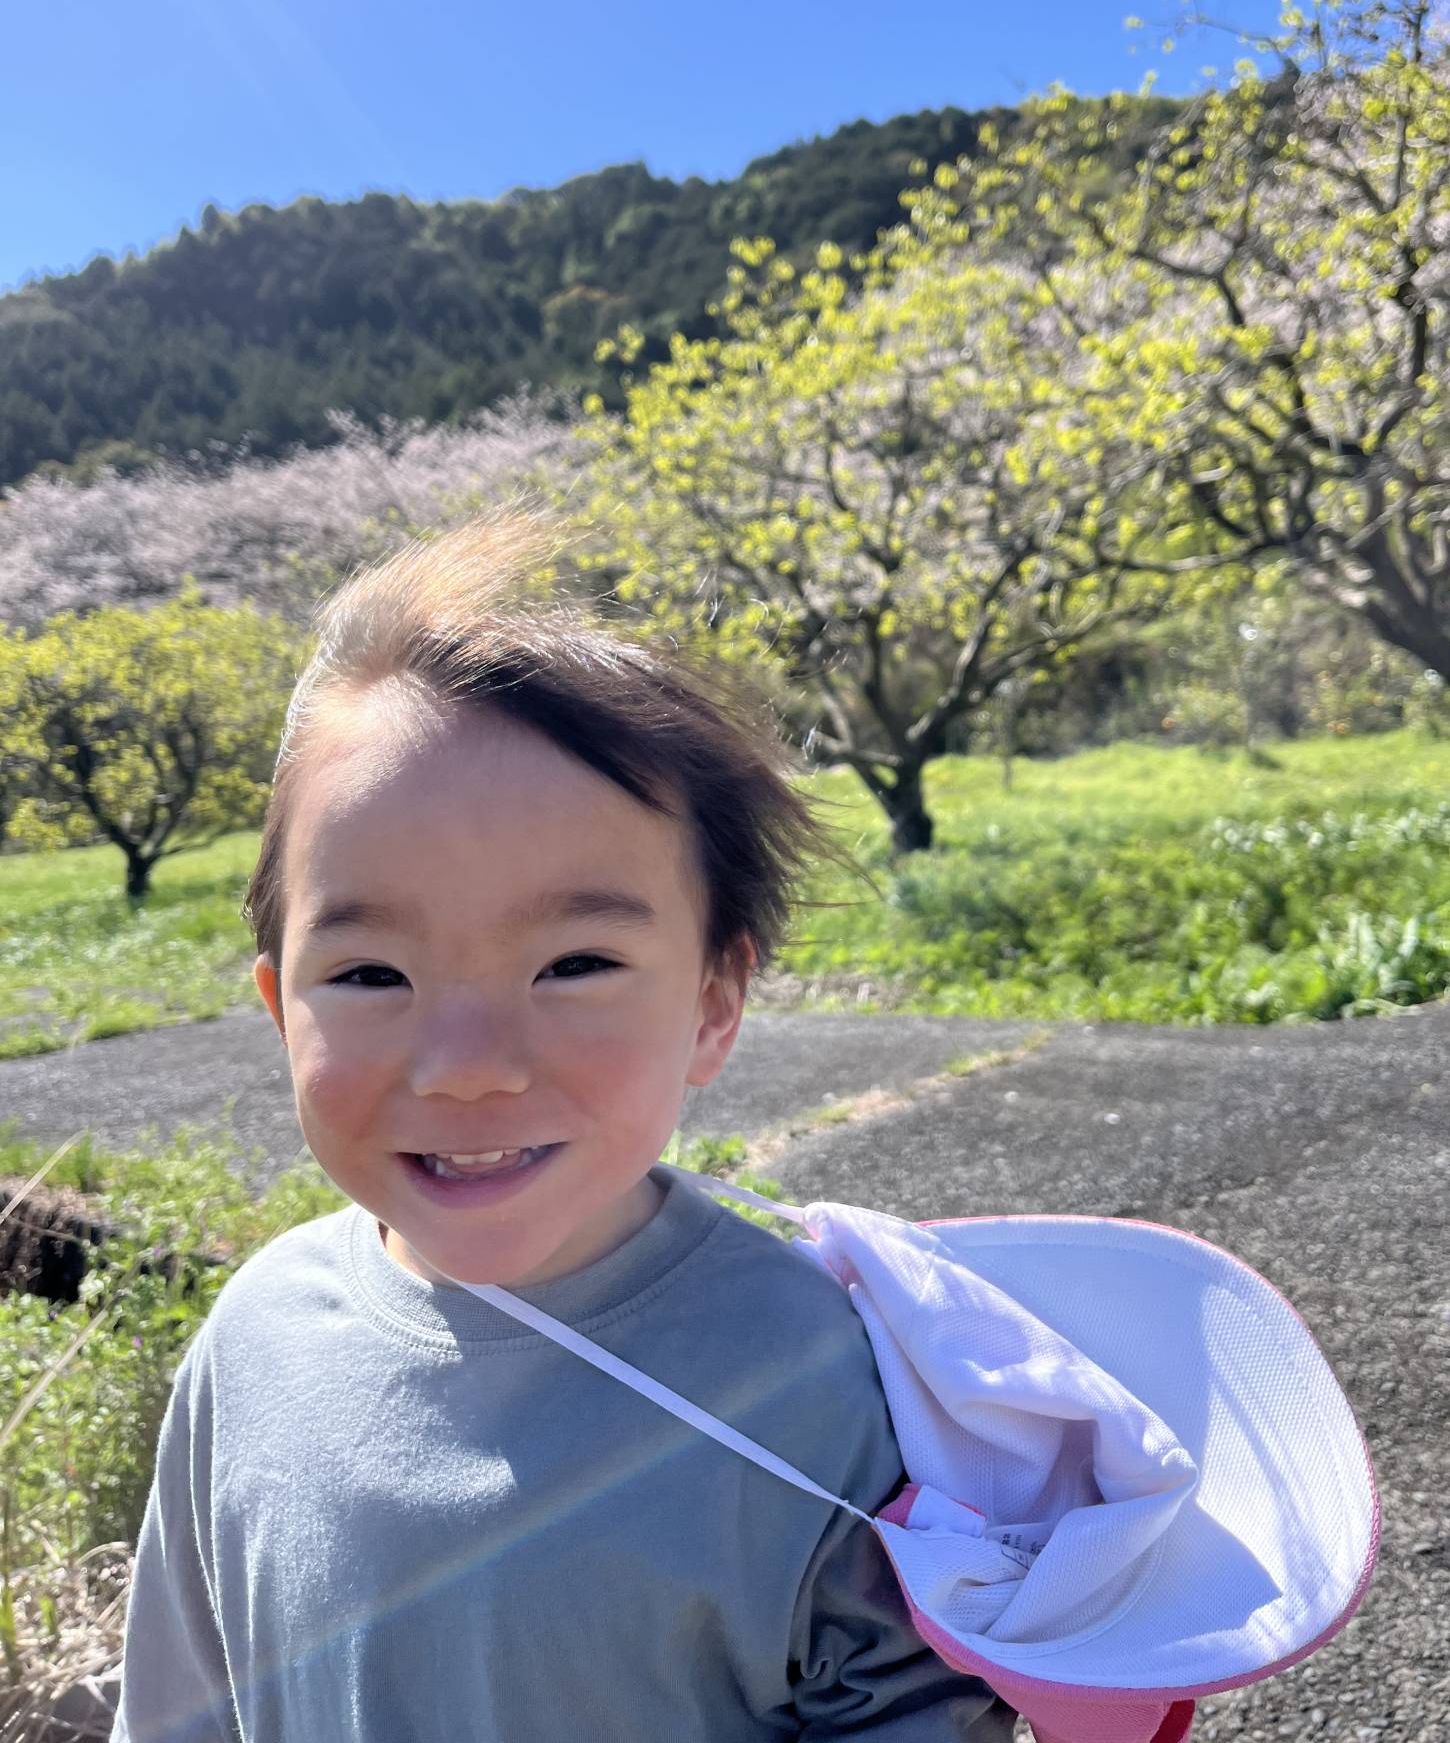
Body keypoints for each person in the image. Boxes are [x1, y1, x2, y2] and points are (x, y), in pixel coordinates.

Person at [111, 511, 1015, 1741]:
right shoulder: (253, 1339)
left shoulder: (823, 1378)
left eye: (574, 962)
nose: (468, 1068)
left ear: (712, 1002)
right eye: (371, 973)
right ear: (281, 1007)